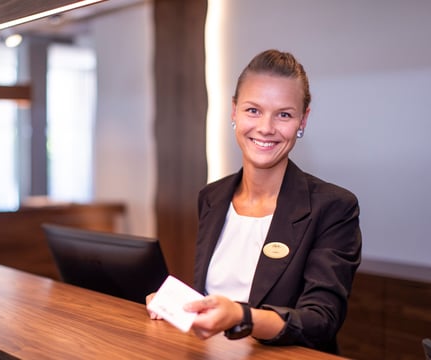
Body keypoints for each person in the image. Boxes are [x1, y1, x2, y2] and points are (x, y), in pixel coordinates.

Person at [147, 49, 362, 354]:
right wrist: (174, 303)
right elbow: (213, 295)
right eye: (253, 110)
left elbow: (321, 321)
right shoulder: (212, 197)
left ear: (303, 119)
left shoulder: (334, 207)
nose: (265, 127)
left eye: (284, 114)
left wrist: (242, 316)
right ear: (234, 111)